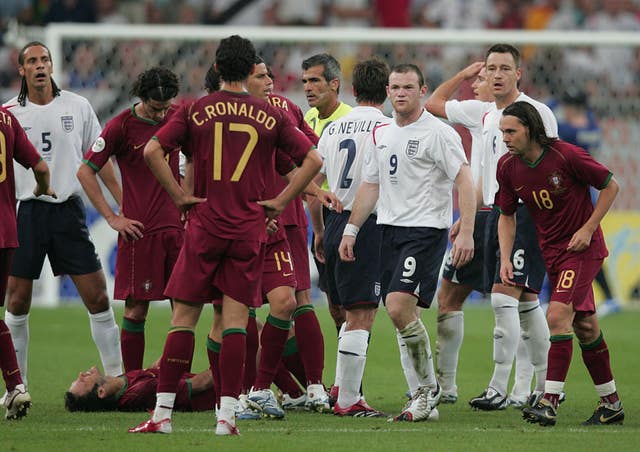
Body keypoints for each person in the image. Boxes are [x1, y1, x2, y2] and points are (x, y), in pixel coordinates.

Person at [128, 35, 321, 436]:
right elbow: (313, 159)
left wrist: (180, 197)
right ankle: (227, 417)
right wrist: (282, 201)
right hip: (248, 230)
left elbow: (150, 151)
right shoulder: (270, 113)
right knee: (235, 321)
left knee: (184, 319)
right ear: (250, 67)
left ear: (217, 66)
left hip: (205, 226)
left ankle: (162, 416)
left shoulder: (196, 110)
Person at [338, 63, 476, 422]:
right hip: (388, 230)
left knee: (398, 307)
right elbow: (371, 185)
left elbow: (465, 181)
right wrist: (352, 229)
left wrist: (467, 230)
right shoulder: (381, 134)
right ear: (387, 91)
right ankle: (425, 394)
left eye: (408, 87)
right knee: (403, 314)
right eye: (395, 87)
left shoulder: (438, 133)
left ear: (422, 90)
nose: (400, 93)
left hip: (424, 231)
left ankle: (426, 392)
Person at [496, 101, 624, 427]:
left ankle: (549, 401)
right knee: (585, 327)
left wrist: (589, 227)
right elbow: (507, 215)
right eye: (502, 132)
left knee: (556, 314)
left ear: (530, 128)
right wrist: (506, 256)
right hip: (551, 252)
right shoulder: (508, 167)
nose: (505, 138)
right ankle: (611, 404)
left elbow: (610, 185)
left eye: (511, 131)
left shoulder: (566, 155)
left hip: (581, 249)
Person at [3, 41, 123, 389]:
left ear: (52, 65)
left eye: (44, 59)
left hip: (68, 212)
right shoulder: (8, 114)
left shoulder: (78, 106)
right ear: (22, 70)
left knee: (98, 295)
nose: (40, 66)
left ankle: (116, 378)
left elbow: (99, 161)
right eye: (32, 61)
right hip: (25, 212)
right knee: (18, 299)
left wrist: (122, 203)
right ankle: (17, 386)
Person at [425, 61, 539, 407]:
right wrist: (467, 219)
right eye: (485, 72)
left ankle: (515, 387)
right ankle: (447, 386)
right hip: (483, 217)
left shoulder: (534, 114)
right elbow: (433, 104)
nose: (478, 83)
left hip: (516, 216)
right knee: (449, 295)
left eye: (487, 76)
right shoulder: (481, 113)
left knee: (515, 301)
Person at [77, 67, 182, 372]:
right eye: (154, 108)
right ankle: (132, 381)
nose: (161, 115)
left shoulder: (180, 117)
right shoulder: (121, 126)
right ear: (141, 98)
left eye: (165, 108)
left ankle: (173, 378)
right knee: (136, 311)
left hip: (177, 229)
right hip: (140, 233)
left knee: (184, 311)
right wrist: (111, 217)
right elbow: (85, 171)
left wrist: (188, 200)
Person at [468, 44, 555, 411]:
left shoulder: (537, 112)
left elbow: (553, 164)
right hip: (495, 215)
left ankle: (499, 387)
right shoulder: (489, 117)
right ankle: (543, 384)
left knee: (506, 299)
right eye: (492, 68)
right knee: (527, 301)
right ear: (484, 73)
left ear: (518, 73)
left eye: (505, 67)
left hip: (527, 214)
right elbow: (487, 174)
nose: (497, 74)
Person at [310, 58, 390, 417]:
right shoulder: (387, 129)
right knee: (362, 313)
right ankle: (349, 400)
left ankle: (342, 387)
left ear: (353, 91)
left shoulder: (333, 128)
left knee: (345, 313)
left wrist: (319, 229)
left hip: (332, 221)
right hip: (365, 224)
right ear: (387, 91)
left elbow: (310, 182)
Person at [0, 105, 55, 420]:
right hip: (8, 230)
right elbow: (41, 167)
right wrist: (42, 190)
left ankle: (16, 386)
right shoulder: (7, 118)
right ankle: (16, 387)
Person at [551, 88, 620, 317]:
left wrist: (549, 104)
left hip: (575, 194)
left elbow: (551, 123)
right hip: (583, 191)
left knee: (578, 245)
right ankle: (604, 297)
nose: (564, 110)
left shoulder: (570, 131)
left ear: (573, 108)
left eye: (567, 106)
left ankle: (606, 296)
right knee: (578, 247)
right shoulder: (591, 124)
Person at [302, 53, 352, 332]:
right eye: (305, 81)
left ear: (334, 84)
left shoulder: (350, 119)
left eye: (315, 81)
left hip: (340, 212)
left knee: (349, 302)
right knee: (333, 304)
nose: (307, 87)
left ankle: (353, 374)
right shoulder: (307, 117)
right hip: (314, 211)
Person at [65, 365, 215, 412]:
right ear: (101, 391)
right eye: (82, 382)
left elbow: (157, 367)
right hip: (225, 391)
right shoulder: (140, 392)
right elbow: (199, 384)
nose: (80, 375)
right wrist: (230, 364)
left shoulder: (121, 381)